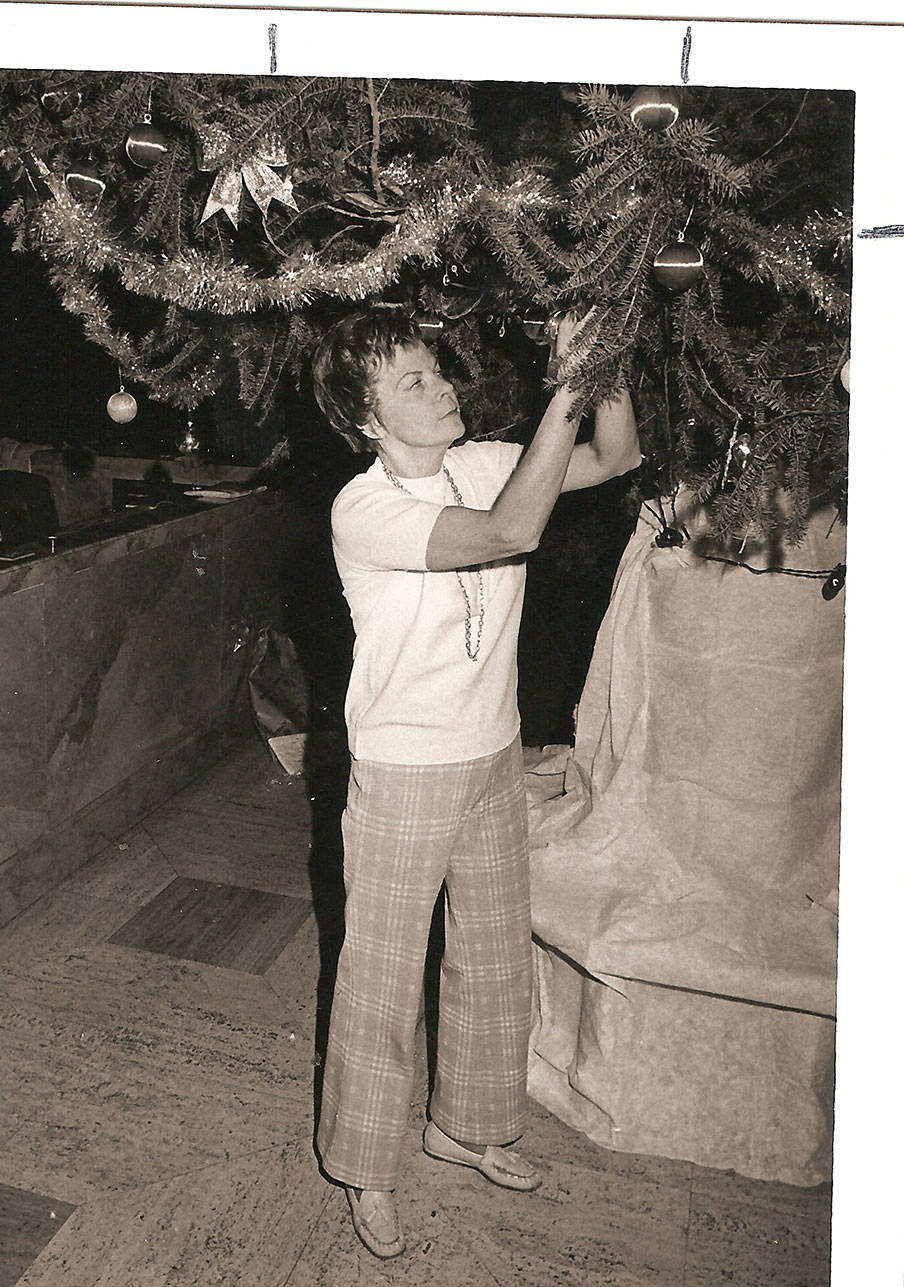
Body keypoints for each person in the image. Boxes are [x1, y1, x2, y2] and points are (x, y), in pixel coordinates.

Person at [310, 306, 640, 1259]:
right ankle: (366, 1167)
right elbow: (510, 530)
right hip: (405, 767)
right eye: (411, 381)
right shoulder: (362, 507)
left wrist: (602, 359)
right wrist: (565, 382)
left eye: (435, 367)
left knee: (493, 959)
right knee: (378, 975)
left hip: (493, 752)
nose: (442, 384)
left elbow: (616, 458)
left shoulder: (486, 457)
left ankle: (464, 1126)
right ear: (366, 417)